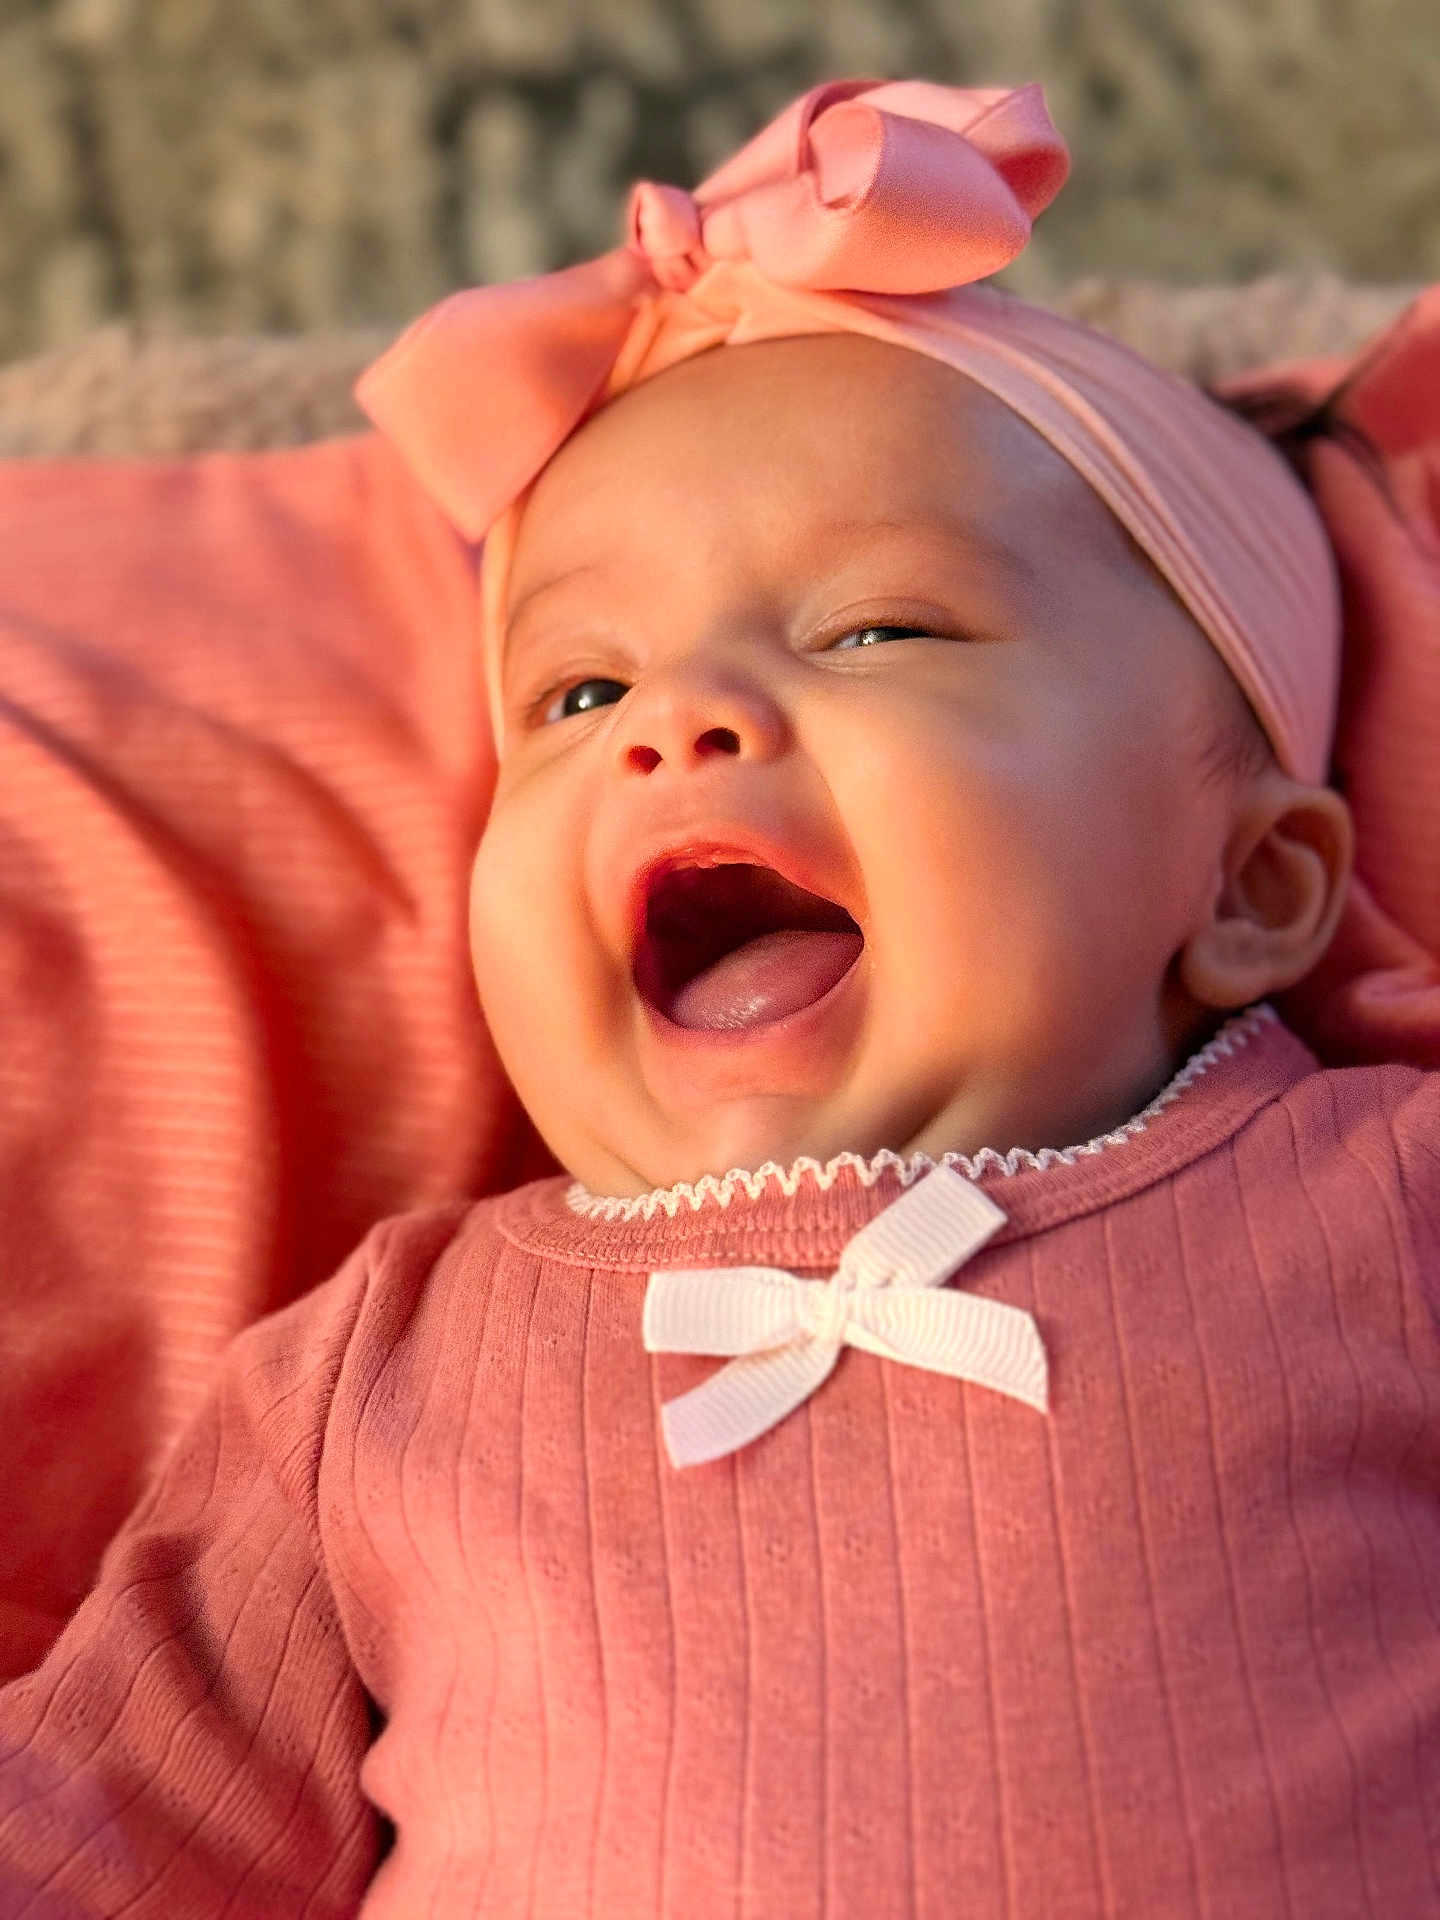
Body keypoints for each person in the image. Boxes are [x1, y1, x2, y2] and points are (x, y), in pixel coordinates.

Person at [1, 78, 1437, 1920]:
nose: (681, 721)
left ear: (1249, 886)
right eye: (582, 697)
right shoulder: (383, 1372)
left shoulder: (1379, 1210)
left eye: (874, 628)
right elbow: (121, 1821)